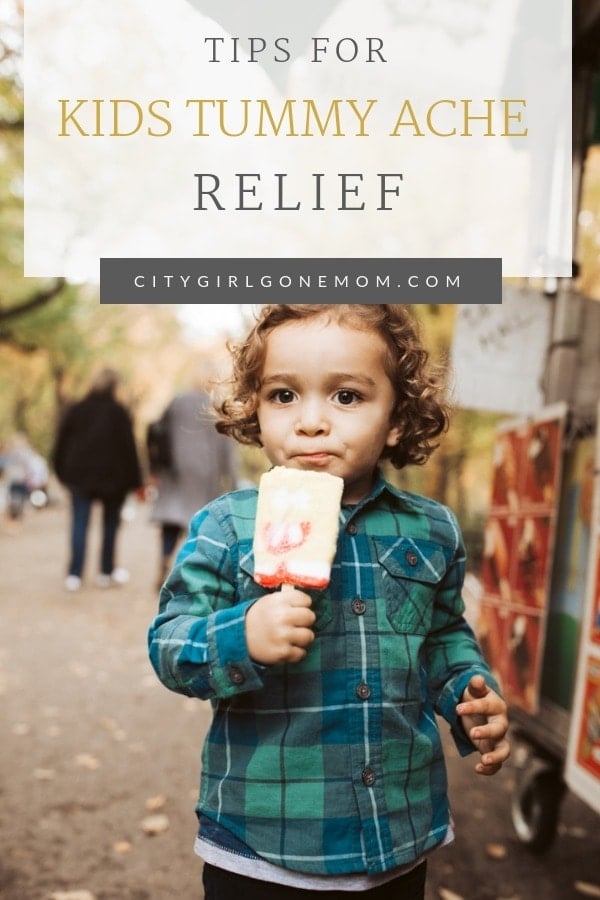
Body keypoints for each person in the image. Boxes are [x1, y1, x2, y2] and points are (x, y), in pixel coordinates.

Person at [148, 305, 510, 900]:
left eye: (346, 397)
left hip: (397, 835)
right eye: (284, 395)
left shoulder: (431, 530)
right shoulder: (227, 525)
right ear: (254, 411)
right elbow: (168, 644)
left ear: (396, 418)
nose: (311, 421)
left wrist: (468, 692)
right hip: (262, 846)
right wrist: (244, 633)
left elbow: (443, 635)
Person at [52, 367, 143, 592]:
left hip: (79, 477)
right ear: (115, 386)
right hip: (113, 480)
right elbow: (129, 449)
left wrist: (61, 472)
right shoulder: (119, 412)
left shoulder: (77, 409)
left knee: (79, 523)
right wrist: (135, 480)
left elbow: (60, 444)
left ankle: (74, 574)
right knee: (110, 525)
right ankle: (105, 572)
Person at [149, 371, 238, 589]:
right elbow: (227, 446)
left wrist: (157, 466)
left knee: (172, 519)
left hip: (176, 470)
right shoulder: (217, 406)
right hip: (206, 472)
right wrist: (232, 480)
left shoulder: (177, 401)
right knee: (198, 522)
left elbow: (159, 430)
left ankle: (166, 557)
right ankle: (189, 571)